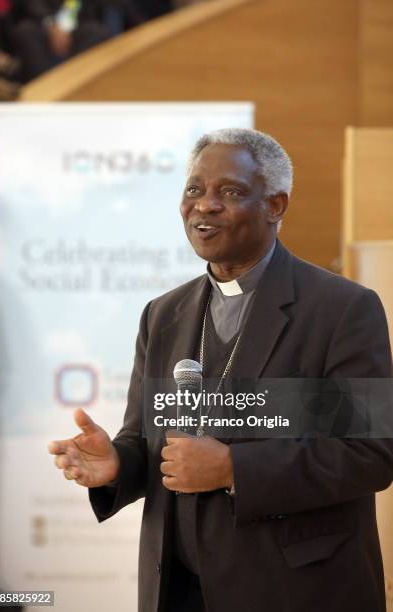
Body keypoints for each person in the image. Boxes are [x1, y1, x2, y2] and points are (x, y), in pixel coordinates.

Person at [49, 128, 393, 612]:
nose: (204, 205)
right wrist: (117, 466)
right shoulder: (162, 314)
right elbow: (148, 438)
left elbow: (369, 454)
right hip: (181, 591)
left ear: (275, 205)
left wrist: (234, 469)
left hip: (293, 590)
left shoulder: (340, 309)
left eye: (229, 192)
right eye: (194, 190)